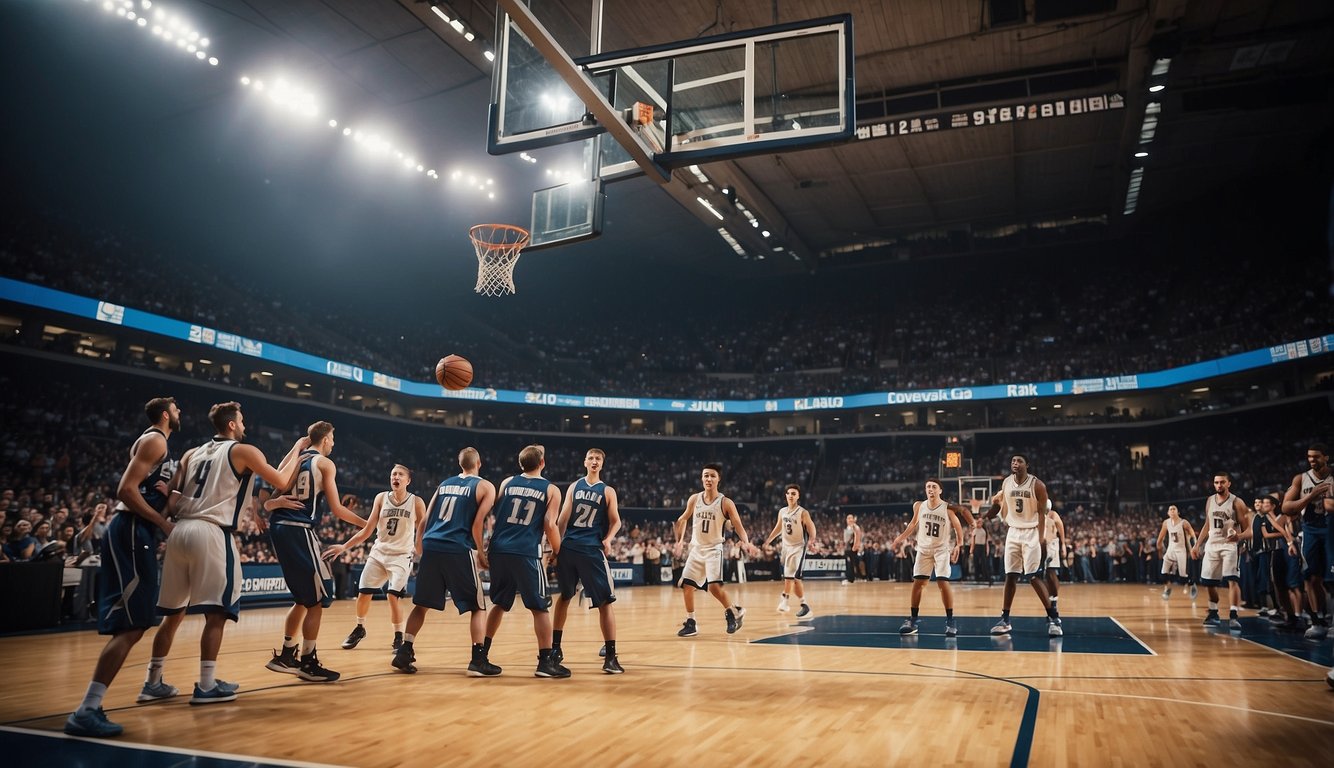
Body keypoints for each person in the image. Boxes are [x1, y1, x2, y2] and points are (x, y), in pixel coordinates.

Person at [157, 402, 306, 705]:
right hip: (212, 532)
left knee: (172, 616)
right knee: (217, 615)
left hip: (179, 530)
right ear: (232, 426)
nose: (245, 425)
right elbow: (281, 481)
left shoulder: (191, 453)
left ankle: (152, 681)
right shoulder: (243, 451)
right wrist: (298, 449)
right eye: (242, 421)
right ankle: (207, 684)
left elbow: (170, 500)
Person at [65, 398, 183, 738]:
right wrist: (162, 521)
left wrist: (166, 492)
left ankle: (96, 704)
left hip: (138, 531)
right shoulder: (155, 440)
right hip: (131, 529)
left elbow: (144, 487)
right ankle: (86, 709)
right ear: (165, 414)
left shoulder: (160, 445)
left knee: (139, 622)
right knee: (130, 626)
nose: (180, 414)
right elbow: (126, 490)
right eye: (176, 409)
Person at [260, 421, 367, 683]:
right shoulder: (324, 463)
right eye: (333, 438)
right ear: (326, 439)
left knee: (302, 598)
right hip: (298, 528)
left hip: (279, 527)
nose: (333, 443)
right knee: (318, 599)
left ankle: (285, 655)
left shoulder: (295, 458)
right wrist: (368, 525)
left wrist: (273, 504)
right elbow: (338, 510)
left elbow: (269, 494)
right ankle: (308, 662)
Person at [392, 447, 497, 676]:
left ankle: (404, 650)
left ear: (461, 464)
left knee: (421, 604)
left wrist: (420, 545)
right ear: (479, 462)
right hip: (457, 547)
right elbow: (477, 524)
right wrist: (480, 552)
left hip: (432, 544)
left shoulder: (444, 483)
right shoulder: (485, 486)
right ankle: (478, 660)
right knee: (477, 606)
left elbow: (425, 520)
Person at [483, 444, 568, 678]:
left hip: (498, 549)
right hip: (526, 551)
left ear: (521, 464)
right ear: (542, 463)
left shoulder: (507, 483)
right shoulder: (551, 490)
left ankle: (480, 655)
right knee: (540, 608)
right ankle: (545, 662)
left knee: (499, 603)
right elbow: (550, 525)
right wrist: (560, 552)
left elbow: (497, 513)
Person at [324, 464, 426, 652]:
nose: (395, 477)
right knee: (363, 593)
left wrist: (424, 551)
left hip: (402, 556)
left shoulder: (416, 502)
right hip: (378, 553)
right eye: (393, 474)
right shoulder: (381, 498)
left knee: (392, 595)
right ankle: (360, 628)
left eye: (400, 474)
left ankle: (398, 638)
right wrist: (344, 547)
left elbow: (424, 530)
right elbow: (368, 530)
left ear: (408, 481)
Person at [550, 448, 623, 674]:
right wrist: (555, 549)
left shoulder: (607, 491)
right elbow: (561, 520)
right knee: (564, 596)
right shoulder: (574, 486)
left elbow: (616, 521)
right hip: (569, 548)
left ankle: (610, 656)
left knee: (605, 602)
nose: (594, 461)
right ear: (585, 462)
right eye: (591, 458)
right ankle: (555, 649)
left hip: (592, 549)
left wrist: (609, 539)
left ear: (602, 464)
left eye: (598, 459)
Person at [975, 454, 1062, 637]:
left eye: (1019, 461)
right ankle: (1005, 620)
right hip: (1013, 532)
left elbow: (1041, 515)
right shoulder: (1006, 483)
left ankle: (1053, 619)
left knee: (1033, 577)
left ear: (1027, 465)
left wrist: (1040, 538)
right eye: (1013, 461)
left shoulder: (1037, 485)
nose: (1015, 463)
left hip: (1031, 532)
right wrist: (984, 517)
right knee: (1010, 577)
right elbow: (998, 506)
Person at [673, 463, 757, 637]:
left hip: (713, 549)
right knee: (687, 586)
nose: (708, 479)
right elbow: (681, 520)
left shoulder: (725, 502)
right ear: (701, 478)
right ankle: (691, 622)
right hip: (696, 549)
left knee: (714, 588)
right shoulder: (694, 499)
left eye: (712, 476)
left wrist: (747, 542)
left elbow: (738, 526)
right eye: (705, 475)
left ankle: (731, 613)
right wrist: (679, 541)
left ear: (719, 479)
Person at [890, 479, 965, 636]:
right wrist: (900, 538)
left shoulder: (947, 508)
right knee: (918, 584)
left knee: (942, 583)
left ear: (940, 491)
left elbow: (958, 526)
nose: (930, 489)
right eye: (928, 487)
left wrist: (959, 544)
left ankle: (950, 620)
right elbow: (912, 524)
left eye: (934, 487)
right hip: (923, 549)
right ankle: (913, 620)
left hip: (941, 549)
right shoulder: (920, 505)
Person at [1280, 444, 1333, 639]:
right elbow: (1286, 507)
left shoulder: (1332, 477)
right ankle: (1318, 620)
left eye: (1316, 457)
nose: (1312, 460)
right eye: (1309, 457)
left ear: (1326, 457)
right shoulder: (1301, 479)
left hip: (1331, 528)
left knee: (1331, 578)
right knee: (1311, 577)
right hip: (1310, 530)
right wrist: (1310, 496)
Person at [1190, 472, 1253, 630]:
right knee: (1209, 583)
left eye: (1222, 482)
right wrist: (1197, 545)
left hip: (1230, 545)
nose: (1219, 485)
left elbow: (1249, 530)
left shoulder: (1237, 502)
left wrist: (1238, 537)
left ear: (1229, 483)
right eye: (1216, 482)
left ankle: (1233, 615)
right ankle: (1213, 611)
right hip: (1212, 544)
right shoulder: (1210, 500)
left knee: (1232, 580)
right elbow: (1207, 524)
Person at [762, 484, 816, 618]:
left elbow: (812, 529)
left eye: (794, 493)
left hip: (799, 547)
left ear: (798, 496)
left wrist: (812, 541)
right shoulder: (782, 511)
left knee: (796, 577)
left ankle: (800, 604)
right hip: (786, 547)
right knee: (788, 577)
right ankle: (788, 601)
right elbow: (778, 527)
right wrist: (769, 539)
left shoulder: (802, 512)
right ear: (786, 495)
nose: (791, 496)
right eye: (789, 493)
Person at [1261, 494, 1305, 630]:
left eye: (1267, 503)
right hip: (1278, 550)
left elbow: (1285, 531)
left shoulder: (1296, 515)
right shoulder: (1277, 517)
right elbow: (1277, 529)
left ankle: (1299, 616)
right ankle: (1290, 616)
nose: (1264, 505)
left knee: (1294, 584)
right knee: (1280, 584)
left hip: (1294, 549)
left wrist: (1289, 538)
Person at [1155, 505, 1198, 600]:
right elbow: (1161, 537)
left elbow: (1193, 534)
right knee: (1163, 573)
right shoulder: (1166, 523)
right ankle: (1167, 589)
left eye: (1174, 509)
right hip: (1170, 550)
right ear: (1168, 513)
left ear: (1178, 512)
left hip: (1181, 550)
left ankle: (1192, 586)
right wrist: (1158, 544)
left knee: (1183, 576)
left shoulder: (1184, 523)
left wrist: (1195, 546)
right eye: (1170, 509)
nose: (1172, 510)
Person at [1042, 500, 1066, 618]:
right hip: (1041, 546)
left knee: (1051, 572)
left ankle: (1055, 600)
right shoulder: (1038, 516)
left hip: (1052, 545)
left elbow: (1061, 530)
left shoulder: (1053, 515)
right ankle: (1051, 597)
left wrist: (1064, 545)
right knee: (1044, 575)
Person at [841, 513, 863, 585]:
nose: (849, 519)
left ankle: (851, 579)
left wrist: (856, 546)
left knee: (851, 563)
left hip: (852, 548)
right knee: (849, 563)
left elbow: (858, 537)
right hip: (847, 548)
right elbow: (845, 540)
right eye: (848, 518)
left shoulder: (855, 527)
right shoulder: (847, 528)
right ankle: (850, 577)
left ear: (853, 519)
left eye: (851, 518)